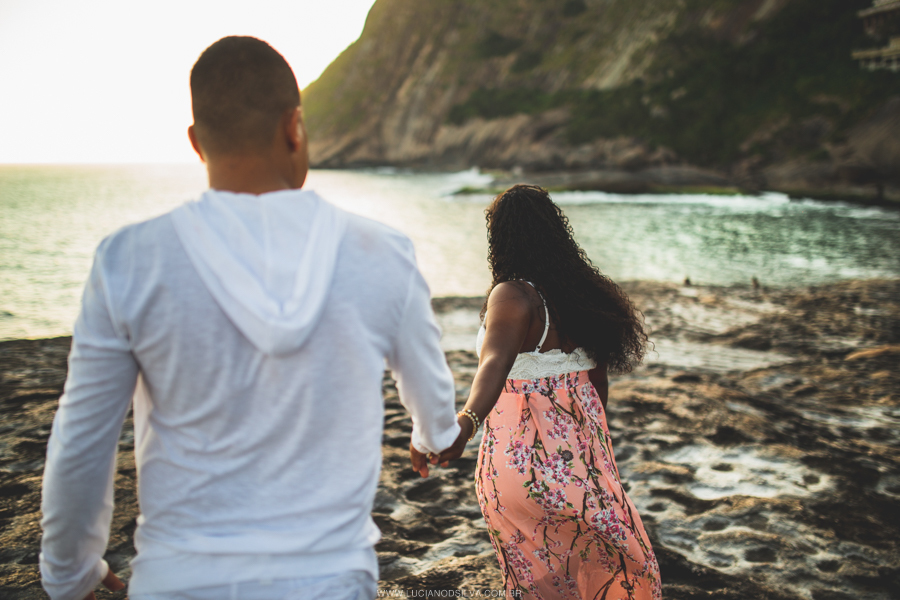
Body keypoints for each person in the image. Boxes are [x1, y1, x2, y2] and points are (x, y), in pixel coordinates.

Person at [40, 36, 461, 600]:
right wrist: (433, 434)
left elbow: (82, 438)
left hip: (180, 581)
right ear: (295, 127)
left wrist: (69, 572)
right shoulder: (382, 252)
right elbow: (433, 399)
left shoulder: (129, 259)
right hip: (329, 579)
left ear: (196, 142)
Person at [413, 185, 661, 599]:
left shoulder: (513, 294)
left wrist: (466, 422)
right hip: (581, 461)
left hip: (519, 463)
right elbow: (597, 385)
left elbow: (494, 362)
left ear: (501, 239)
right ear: (555, 233)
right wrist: (595, 453)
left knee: (536, 578)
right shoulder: (584, 297)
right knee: (609, 564)